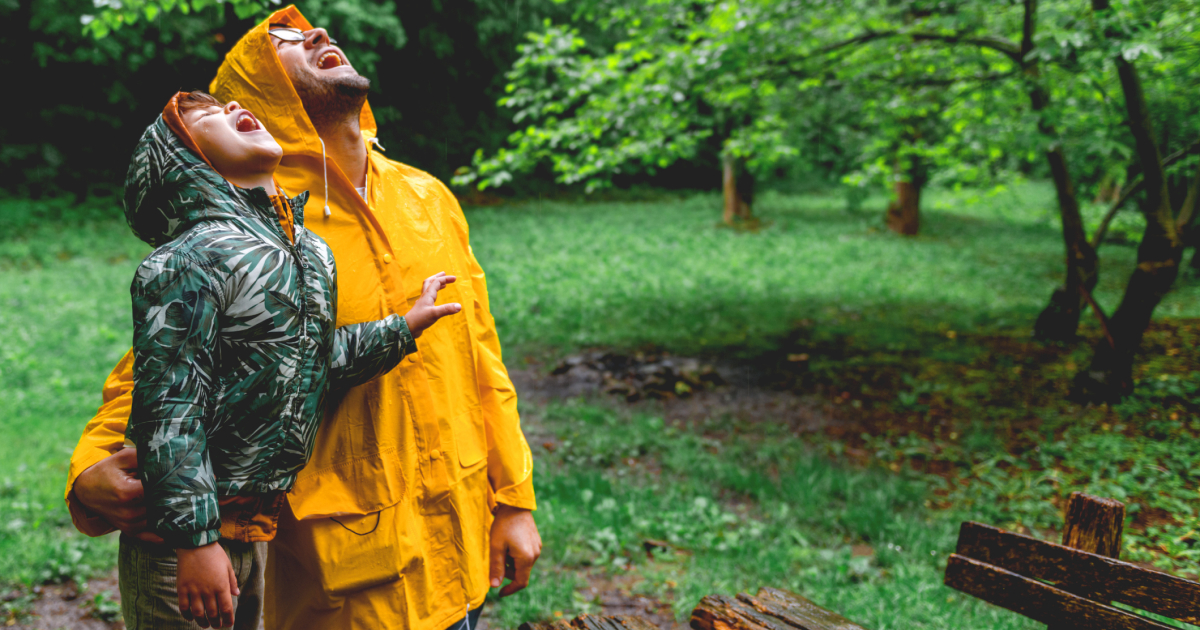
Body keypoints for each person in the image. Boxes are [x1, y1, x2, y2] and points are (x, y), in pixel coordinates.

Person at [65, 6, 542, 630]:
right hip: (338, 576)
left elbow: (481, 354)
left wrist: (513, 501)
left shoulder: (428, 198)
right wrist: (89, 473)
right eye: (283, 42)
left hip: (458, 548)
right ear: (256, 94)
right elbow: (163, 373)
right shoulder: (262, 218)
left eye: (314, 28)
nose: (318, 32)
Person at [117, 90, 461, 629]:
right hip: (179, 543)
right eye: (208, 117)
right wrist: (194, 542)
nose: (231, 108)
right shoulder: (188, 260)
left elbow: (313, 364)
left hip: (257, 528)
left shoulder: (310, 251)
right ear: (183, 163)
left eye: (229, 105)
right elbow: (171, 408)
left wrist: (403, 327)